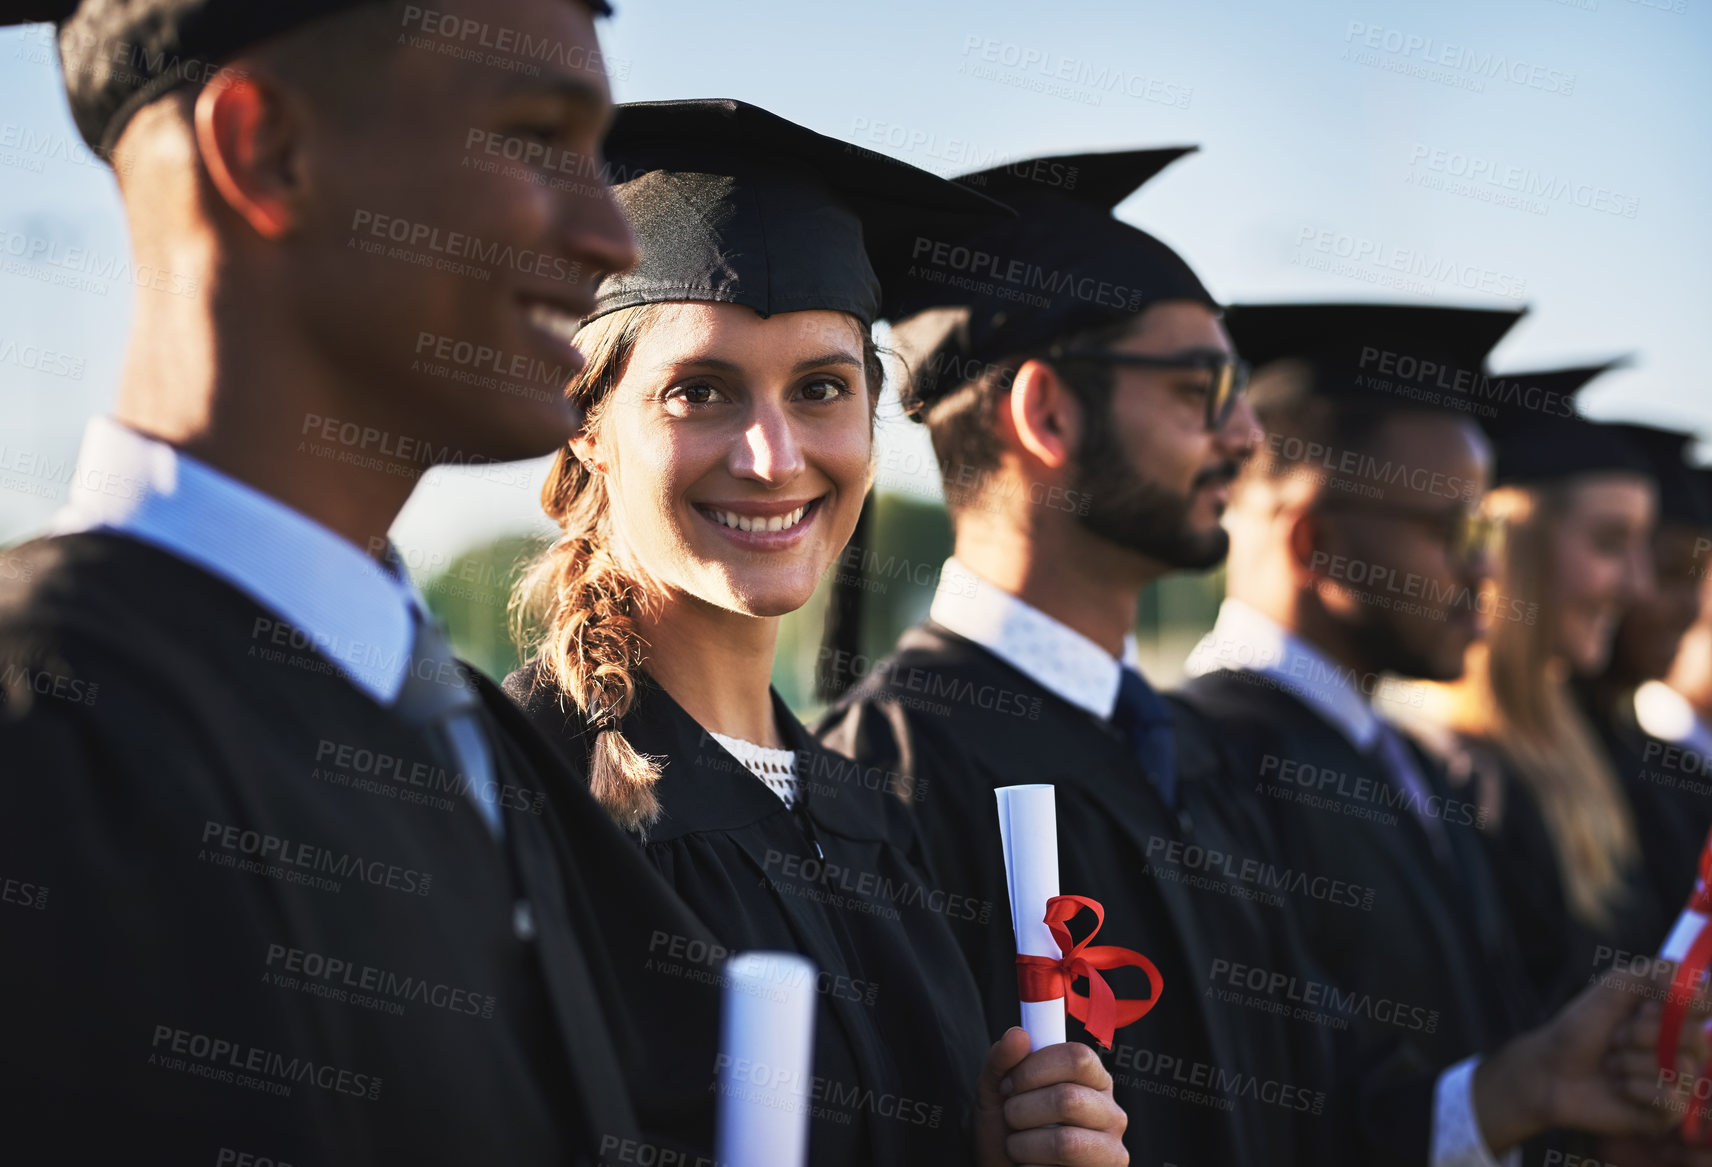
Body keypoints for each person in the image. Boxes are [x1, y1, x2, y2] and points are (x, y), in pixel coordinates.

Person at [0, 1, 730, 1163]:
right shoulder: (47, 722)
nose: (611, 237)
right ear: (267, 149)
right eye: (538, 140)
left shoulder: (472, 740)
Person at [502, 99, 1129, 1167]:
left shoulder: (865, 816)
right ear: (590, 428)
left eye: (821, 389)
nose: (770, 455)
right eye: (698, 391)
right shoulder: (527, 793)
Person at [816, 146, 1348, 1166]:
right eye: (1206, 389)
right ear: (1047, 413)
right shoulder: (889, 779)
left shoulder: (1196, 752)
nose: (1247, 436)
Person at [1178, 304, 1709, 1165]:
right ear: (1318, 541)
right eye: (1454, 528)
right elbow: (1267, 1123)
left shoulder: (1401, 760)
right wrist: (1513, 1091)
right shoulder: (1202, 765)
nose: (1487, 569)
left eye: (1492, 533)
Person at [1397, 365, 1676, 1008]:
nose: (1637, 586)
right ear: (1515, 552)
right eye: (1611, 543)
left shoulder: (1589, 745)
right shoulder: (1454, 778)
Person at [1581, 425, 1712, 894]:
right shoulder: (1516, 774)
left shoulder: (1665, 768)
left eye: (1697, 581)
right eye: (1670, 573)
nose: (1691, 609)